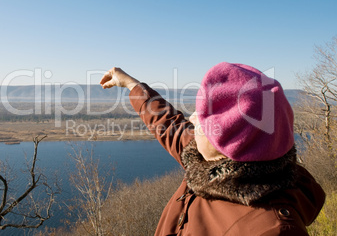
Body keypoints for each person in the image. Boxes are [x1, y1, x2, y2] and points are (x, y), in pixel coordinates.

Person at [99, 63, 325, 235]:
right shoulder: (210, 164)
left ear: (230, 144)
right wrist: (132, 85)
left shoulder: (271, 230)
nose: (193, 119)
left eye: (204, 119)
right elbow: (169, 125)